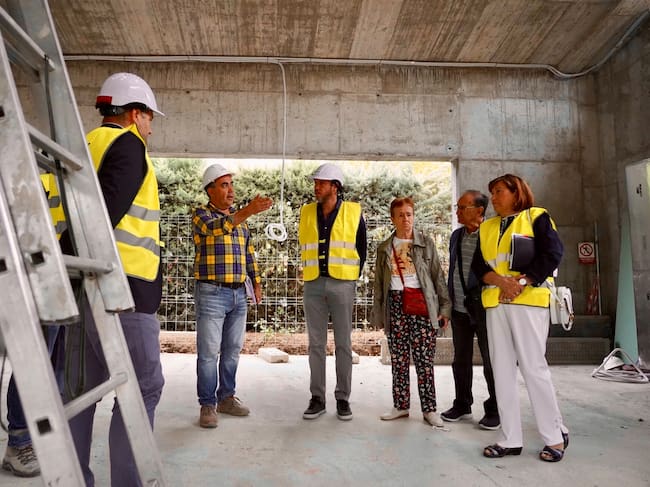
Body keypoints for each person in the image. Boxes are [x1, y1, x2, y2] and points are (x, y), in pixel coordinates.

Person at [64, 72, 166, 486]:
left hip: (80, 284)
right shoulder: (128, 145)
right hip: (123, 289)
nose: (151, 126)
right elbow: (101, 216)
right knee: (144, 387)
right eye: (150, 117)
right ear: (135, 113)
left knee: (81, 391)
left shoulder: (84, 145)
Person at [471, 173, 569, 462]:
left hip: (528, 301)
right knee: (501, 370)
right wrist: (503, 283)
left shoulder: (536, 217)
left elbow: (552, 254)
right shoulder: (487, 227)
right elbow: (479, 266)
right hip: (496, 302)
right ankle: (510, 438)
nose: (494, 197)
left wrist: (522, 282)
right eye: (492, 192)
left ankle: (554, 437)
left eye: (499, 191)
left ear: (517, 193)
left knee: (533, 368)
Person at [193, 164, 272, 428]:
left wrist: (256, 282)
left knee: (232, 351)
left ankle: (226, 398)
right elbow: (217, 228)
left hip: (239, 294)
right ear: (210, 190)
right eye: (224, 185)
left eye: (231, 184)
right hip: (211, 293)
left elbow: (249, 254)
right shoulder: (201, 215)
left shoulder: (240, 222)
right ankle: (207, 404)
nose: (230, 190)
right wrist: (247, 211)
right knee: (208, 353)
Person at [372, 197, 451, 427]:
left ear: (413, 216)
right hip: (395, 304)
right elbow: (378, 284)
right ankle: (401, 406)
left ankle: (429, 409)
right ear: (392, 219)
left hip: (422, 303)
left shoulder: (426, 243)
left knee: (424, 359)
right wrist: (378, 314)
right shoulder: (384, 248)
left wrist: (445, 308)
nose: (405, 219)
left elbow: (438, 277)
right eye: (400, 215)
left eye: (409, 214)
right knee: (399, 358)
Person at [299, 163, 367, 421]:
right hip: (313, 283)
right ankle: (317, 398)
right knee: (315, 344)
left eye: (321, 183)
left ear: (335, 186)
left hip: (343, 284)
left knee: (343, 344)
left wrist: (349, 279)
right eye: (315, 183)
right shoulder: (306, 212)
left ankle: (343, 398)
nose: (316, 187)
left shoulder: (353, 212)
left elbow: (362, 248)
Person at [440, 190, 500, 430]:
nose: (458, 211)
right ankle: (462, 404)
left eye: (463, 207)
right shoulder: (456, 236)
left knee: (491, 360)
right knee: (460, 359)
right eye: (457, 207)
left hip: (485, 308)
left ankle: (495, 409)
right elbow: (453, 270)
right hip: (459, 308)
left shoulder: (491, 234)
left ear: (479, 211)